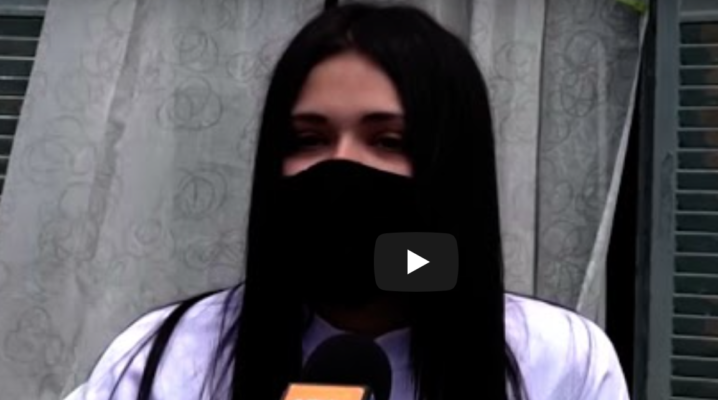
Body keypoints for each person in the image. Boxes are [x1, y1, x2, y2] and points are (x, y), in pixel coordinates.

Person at [63, 3, 629, 400]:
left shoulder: (560, 361)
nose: (342, 166)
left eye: (389, 141)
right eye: (308, 139)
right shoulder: (167, 358)